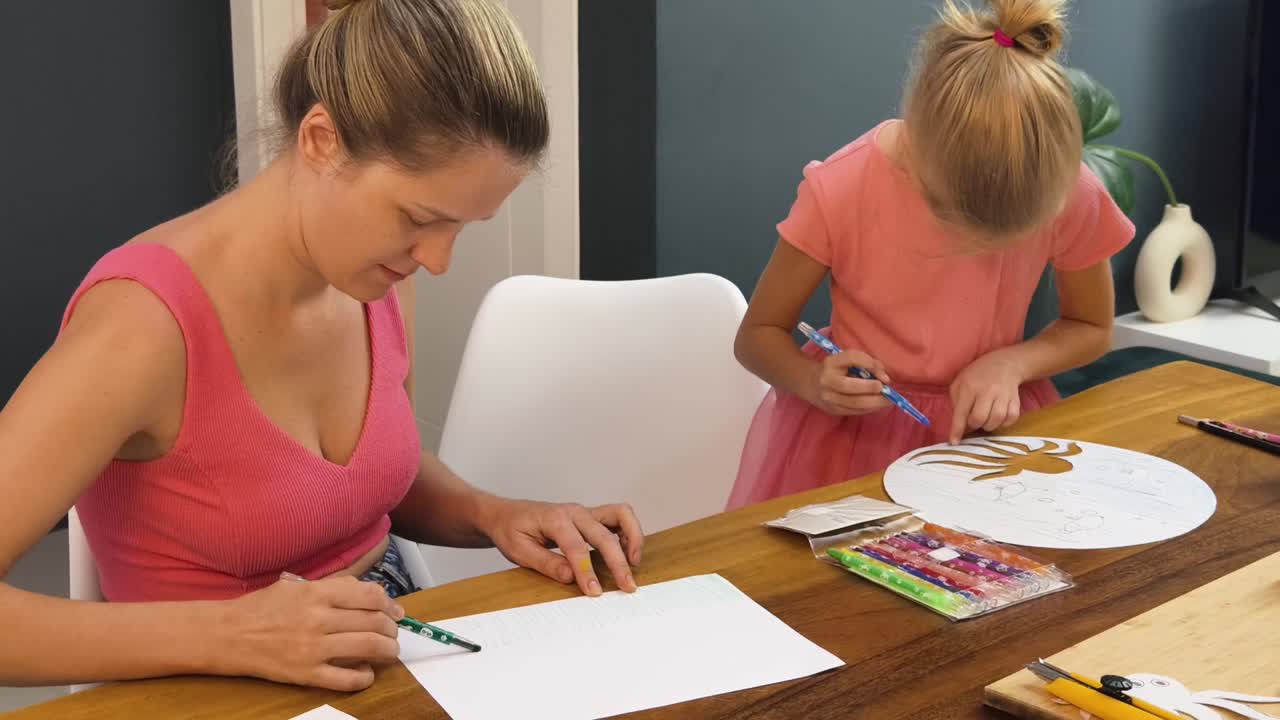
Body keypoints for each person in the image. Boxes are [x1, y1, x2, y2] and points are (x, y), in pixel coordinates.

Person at [0, 0, 642, 692]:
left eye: (463, 228)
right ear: (320, 140)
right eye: (421, 219)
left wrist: (498, 515)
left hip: (390, 648)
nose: (438, 259)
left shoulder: (372, 274)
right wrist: (236, 633)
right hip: (206, 688)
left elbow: (362, 482)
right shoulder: (142, 326)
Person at [727, 0, 1136, 510]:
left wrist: (1012, 363)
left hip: (986, 443)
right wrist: (813, 381)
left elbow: (1091, 326)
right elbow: (757, 337)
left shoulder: (1063, 186)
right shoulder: (841, 188)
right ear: (922, 150)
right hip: (849, 442)